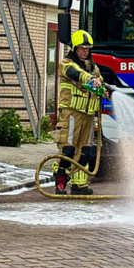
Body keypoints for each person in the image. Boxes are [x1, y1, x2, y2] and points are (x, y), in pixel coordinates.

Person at [54, 30, 105, 195]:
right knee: (68, 150)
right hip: (71, 114)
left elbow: (100, 82)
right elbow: (75, 74)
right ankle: (61, 182)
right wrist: (90, 80)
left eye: (88, 48)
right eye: (82, 48)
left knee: (85, 151)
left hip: (89, 116)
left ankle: (79, 184)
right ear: (75, 48)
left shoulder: (92, 67)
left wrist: (103, 88)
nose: (86, 51)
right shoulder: (67, 63)